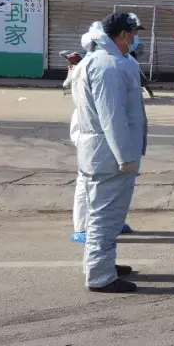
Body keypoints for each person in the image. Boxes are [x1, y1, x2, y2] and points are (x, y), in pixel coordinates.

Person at [76, 13, 148, 293]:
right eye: (133, 33)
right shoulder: (106, 66)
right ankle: (100, 275)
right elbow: (111, 117)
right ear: (122, 35)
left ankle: (102, 263)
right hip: (109, 157)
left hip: (103, 154)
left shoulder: (103, 61)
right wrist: (125, 156)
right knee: (104, 218)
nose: (135, 38)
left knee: (106, 216)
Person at [68, 21, 104, 244]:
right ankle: (81, 226)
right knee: (86, 180)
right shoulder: (87, 66)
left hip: (96, 131)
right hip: (88, 130)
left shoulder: (99, 63)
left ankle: (109, 222)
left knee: (103, 184)